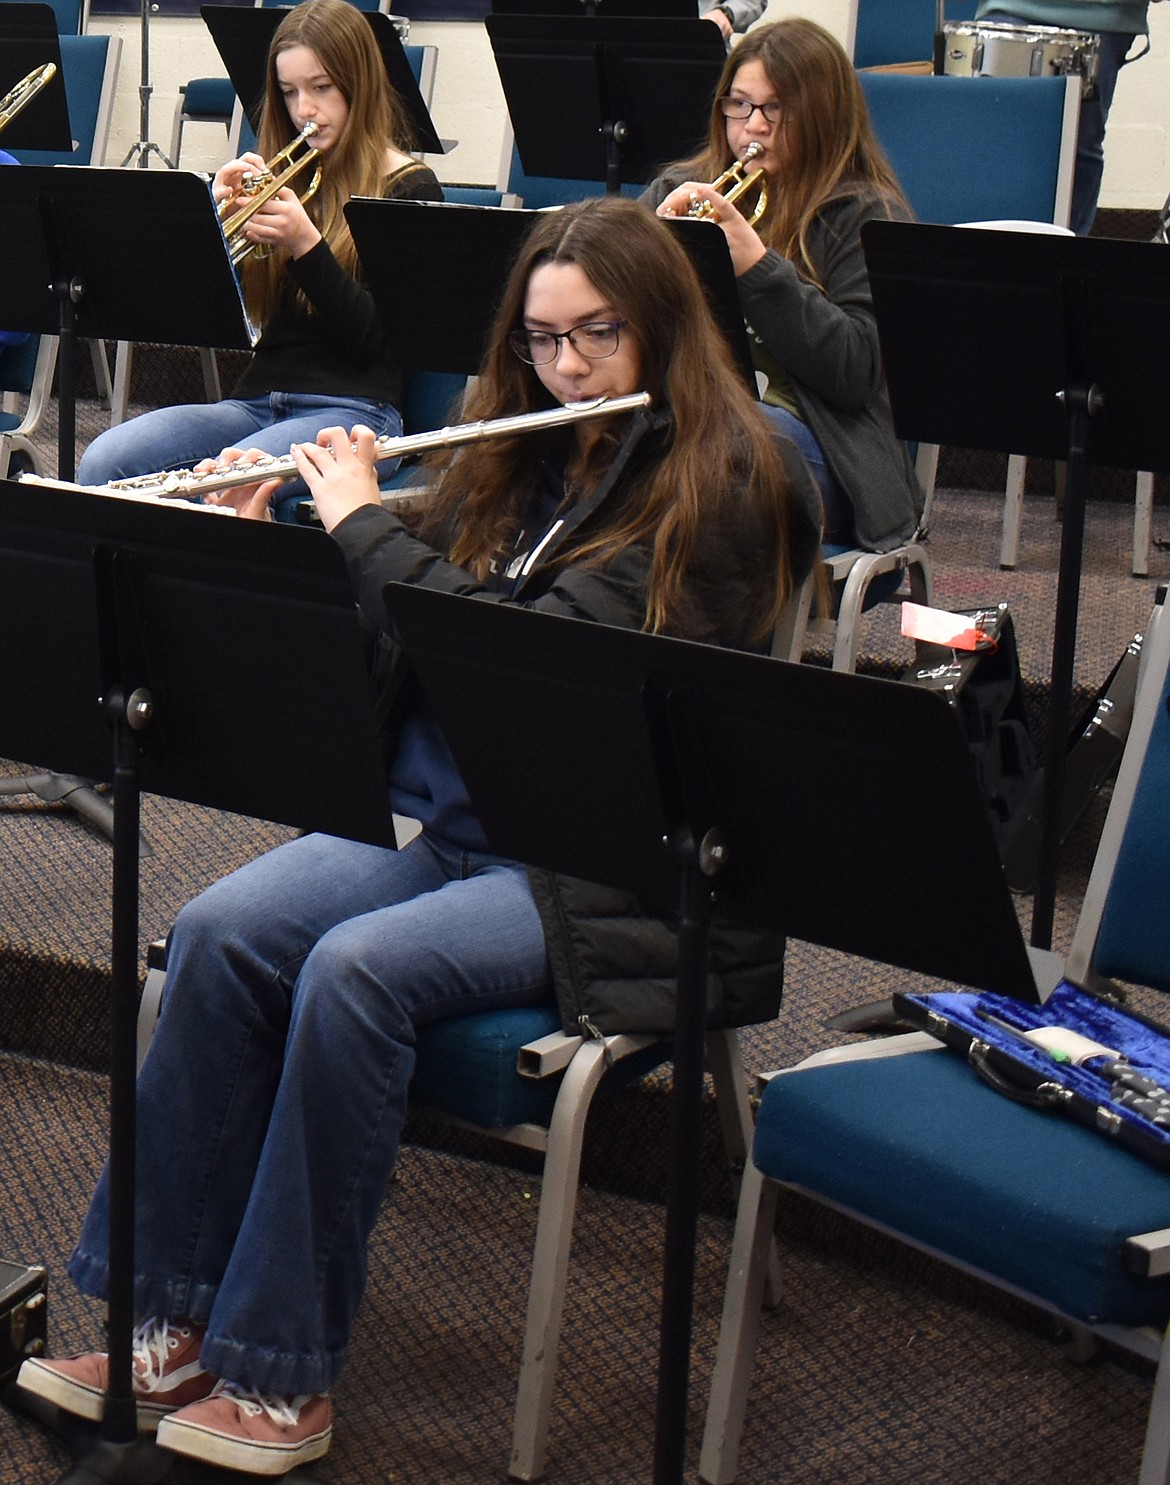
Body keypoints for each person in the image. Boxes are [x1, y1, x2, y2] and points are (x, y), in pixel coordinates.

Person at [18, 195, 822, 1477]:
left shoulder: (725, 489)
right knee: (221, 930)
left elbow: (514, 658)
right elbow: (394, 580)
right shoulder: (530, 464)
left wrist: (361, 525)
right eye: (545, 341)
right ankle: (166, 1317)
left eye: (600, 338)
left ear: (664, 332)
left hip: (605, 871)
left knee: (353, 973)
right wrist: (282, 520)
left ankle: (284, 1377)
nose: (566, 370)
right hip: (458, 835)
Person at [74, 0, 442, 520]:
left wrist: (305, 247)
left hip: (356, 412)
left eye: (321, 88)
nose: (304, 111)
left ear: (359, 85)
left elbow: (380, 343)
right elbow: (212, 316)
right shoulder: (282, 178)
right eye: (289, 93)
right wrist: (213, 223)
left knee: (228, 484)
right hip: (257, 399)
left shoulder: (408, 187)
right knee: (104, 462)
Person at [642, 16, 924, 554]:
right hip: (688, 415)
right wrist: (641, 251)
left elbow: (854, 373)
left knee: (719, 450)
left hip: (814, 442)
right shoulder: (678, 190)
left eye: (776, 110)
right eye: (740, 105)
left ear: (824, 118)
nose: (753, 126)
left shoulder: (866, 215)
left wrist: (757, 265)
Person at [972, 0, 1154, 236]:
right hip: (1012, 6)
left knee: (1076, 146)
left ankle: (1065, 260)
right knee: (994, 143)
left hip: (1103, 13)